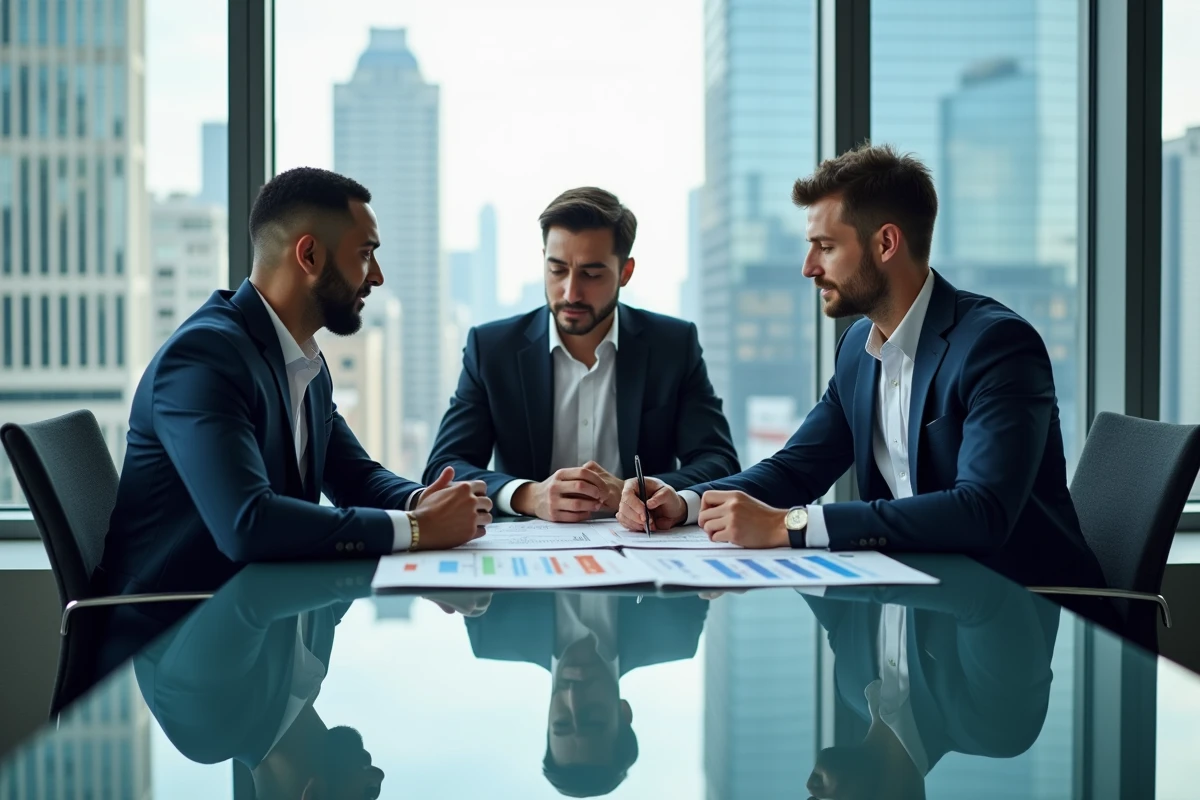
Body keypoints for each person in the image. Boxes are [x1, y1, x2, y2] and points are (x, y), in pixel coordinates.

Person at [616, 144, 1104, 589]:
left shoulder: (996, 346)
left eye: (826, 247)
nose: (809, 267)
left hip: (1021, 611)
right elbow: (797, 468)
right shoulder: (857, 349)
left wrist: (793, 525)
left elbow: (981, 512)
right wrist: (686, 502)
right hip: (915, 600)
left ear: (885, 244)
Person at [98, 167, 492, 603]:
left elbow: (355, 477)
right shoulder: (204, 357)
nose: (376, 276)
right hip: (171, 642)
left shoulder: (304, 359)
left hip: (262, 619)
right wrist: (418, 529)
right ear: (309, 256)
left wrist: (423, 501)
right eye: (365, 254)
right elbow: (247, 524)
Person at [424, 187, 739, 522]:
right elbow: (445, 468)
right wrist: (529, 495)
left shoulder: (673, 345)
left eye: (591, 274)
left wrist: (641, 492)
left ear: (625, 272)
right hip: (529, 551)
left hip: (641, 546)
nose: (571, 292)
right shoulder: (491, 349)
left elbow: (719, 461)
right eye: (557, 269)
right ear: (543, 259)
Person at [802, 555, 1061, 799]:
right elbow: (984, 590)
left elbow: (794, 552)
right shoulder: (995, 727)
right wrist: (879, 557)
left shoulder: (849, 683)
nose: (809, 787)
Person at [132, 561, 384, 800]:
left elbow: (253, 590)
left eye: (369, 795)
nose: (379, 776)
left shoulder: (210, 728)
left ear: (314, 795)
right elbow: (350, 558)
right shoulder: (314, 661)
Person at [459, 591, 709, 796]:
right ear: (623, 712)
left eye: (561, 723)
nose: (573, 698)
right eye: (593, 720)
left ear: (547, 720)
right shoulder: (676, 633)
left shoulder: (494, 634)